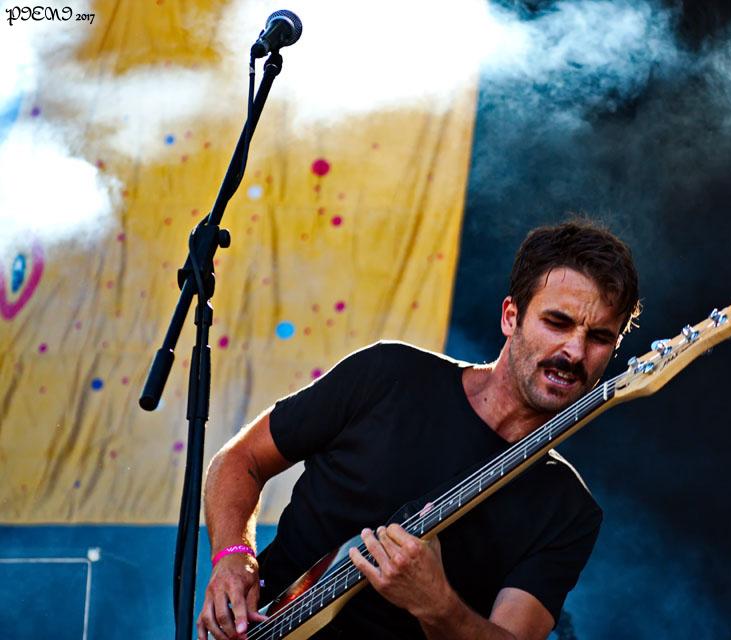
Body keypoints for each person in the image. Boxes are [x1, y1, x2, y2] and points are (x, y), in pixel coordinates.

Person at [196, 219, 641, 640]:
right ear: (511, 316)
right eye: (557, 322)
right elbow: (241, 459)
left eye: (599, 337)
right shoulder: (388, 374)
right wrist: (234, 558)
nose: (574, 351)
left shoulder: (568, 510)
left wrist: (438, 606)